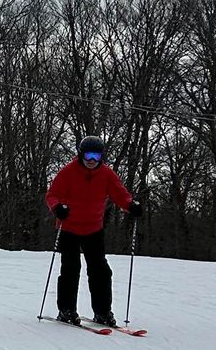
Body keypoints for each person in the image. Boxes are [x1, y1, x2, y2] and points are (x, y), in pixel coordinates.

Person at [44, 135, 143, 326]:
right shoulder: (68, 172)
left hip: (93, 229)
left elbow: (120, 194)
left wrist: (131, 205)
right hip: (69, 229)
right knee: (70, 270)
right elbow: (52, 194)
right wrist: (57, 208)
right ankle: (66, 310)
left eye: (96, 157)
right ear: (81, 154)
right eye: (88, 155)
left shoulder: (106, 174)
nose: (91, 161)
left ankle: (103, 312)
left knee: (100, 271)